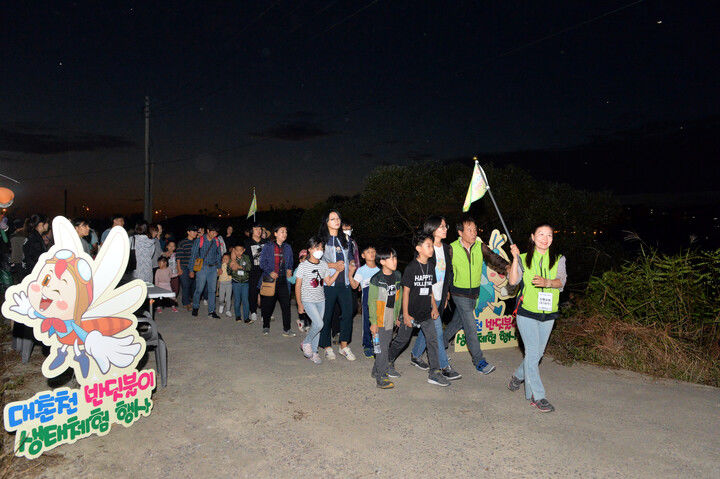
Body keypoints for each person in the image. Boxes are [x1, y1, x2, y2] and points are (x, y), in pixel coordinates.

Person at [507, 223, 567, 413]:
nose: (545, 238)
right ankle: (537, 396)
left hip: (548, 314)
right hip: (526, 312)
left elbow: (561, 282)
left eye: (549, 235)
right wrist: (515, 259)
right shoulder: (524, 258)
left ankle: (518, 376)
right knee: (533, 353)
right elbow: (513, 281)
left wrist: (547, 282)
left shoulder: (558, 259)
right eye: (541, 234)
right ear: (533, 237)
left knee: (536, 355)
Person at [442, 214, 510, 375]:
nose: (474, 233)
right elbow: (445, 272)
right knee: (471, 327)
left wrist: (507, 267)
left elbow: (494, 258)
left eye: (475, 229)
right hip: (459, 293)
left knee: (457, 322)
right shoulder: (451, 248)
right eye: (469, 230)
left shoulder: (480, 247)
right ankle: (479, 361)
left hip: (474, 294)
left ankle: (440, 344)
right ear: (460, 232)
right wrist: (445, 293)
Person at [392, 232, 450, 387]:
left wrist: (434, 307)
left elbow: (430, 289)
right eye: (428, 246)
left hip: (426, 313)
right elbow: (406, 292)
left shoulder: (431, 266)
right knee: (402, 340)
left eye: (432, 245)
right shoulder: (411, 268)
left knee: (433, 341)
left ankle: (435, 373)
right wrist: (405, 314)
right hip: (410, 312)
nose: (431, 249)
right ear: (419, 248)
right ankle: (387, 361)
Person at [409, 216, 461, 380]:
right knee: (437, 332)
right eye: (442, 227)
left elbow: (448, 273)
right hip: (427, 297)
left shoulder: (446, 248)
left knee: (428, 330)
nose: (445, 229)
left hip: (440, 295)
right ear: (432, 229)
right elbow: (419, 274)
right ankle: (443, 366)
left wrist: (446, 294)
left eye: (446, 226)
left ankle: (416, 355)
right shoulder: (426, 248)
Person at [295, 236, 342, 364]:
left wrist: (337, 271)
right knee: (319, 324)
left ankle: (314, 352)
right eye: (317, 247)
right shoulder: (303, 266)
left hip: (321, 300)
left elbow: (328, 281)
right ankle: (306, 342)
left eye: (321, 247)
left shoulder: (323, 265)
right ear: (310, 249)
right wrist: (299, 304)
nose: (320, 250)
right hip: (308, 300)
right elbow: (298, 285)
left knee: (317, 326)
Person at [318, 210, 356, 361]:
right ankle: (327, 347)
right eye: (332, 219)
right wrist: (332, 265)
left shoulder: (345, 239)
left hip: (344, 283)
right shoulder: (321, 240)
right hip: (329, 284)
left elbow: (351, 257)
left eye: (338, 218)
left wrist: (352, 264)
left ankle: (344, 346)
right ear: (326, 222)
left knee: (348, 313)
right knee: (327, 315)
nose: (337, 221)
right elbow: (315, 261)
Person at [367, 247, 402, 388]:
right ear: (382, 261)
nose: (395, 261)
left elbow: (398, 298)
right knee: (382, 347)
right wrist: (373, 322)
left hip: (391, 314)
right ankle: (381, 377)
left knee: (384, 344)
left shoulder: (398, 276)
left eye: (395, 257)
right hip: (380, 317)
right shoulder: (376, 279)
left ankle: (376, 370)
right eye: (391, 258)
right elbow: (372, 302)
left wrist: (398, 316)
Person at [258, 224, 294, 336]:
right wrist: (270, 271)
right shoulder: (268, 247)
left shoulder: (288, 247)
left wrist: (289, 269)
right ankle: (266, 326)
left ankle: (287, 329)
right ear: (275, 234)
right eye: (282, 231)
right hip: (270, 280)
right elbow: (262, 262)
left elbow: (291, 262)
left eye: (286, 232)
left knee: (286, 306)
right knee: (268, 305)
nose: (285, 234)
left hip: (283, 280)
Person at [350, 245, 379, 358]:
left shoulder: (380, 270)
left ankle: (377, 344)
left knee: (379, 323)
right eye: (368, 252)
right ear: (363, 255)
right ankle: (367, 345)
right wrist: (349, 274)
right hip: (367, 300)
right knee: (367, 322)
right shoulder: (361, 270)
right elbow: (354, 285)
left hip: (379, 300)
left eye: (373, 251)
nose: (371, 253)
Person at [189, 224, 222, 318]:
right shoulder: (199, 240)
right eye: (212, 232)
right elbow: (193, 255)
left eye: (216, 232)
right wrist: (191, 270)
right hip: (202, 268)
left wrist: (219, 267)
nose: (214, 234)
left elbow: (218, 255)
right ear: (208, 231)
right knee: (199, 289)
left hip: (213, 268)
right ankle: (195, 307)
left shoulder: (216, 241)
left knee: (212, 290)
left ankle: (212, 311)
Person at [244, 223, 265, 323]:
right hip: (252, 271)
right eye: (256, 229)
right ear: (252, 230)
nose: (259, 231)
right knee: (252, 291)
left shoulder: (265, 242)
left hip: (264, 270)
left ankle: (265, 312)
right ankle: (253, 311)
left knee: (265, 291)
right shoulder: (247, 243)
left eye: (260, 229)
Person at [176, 225, 197, 311]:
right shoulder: (182, 242)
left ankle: (189, 300)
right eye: (193, 231)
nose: (195, 233)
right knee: (185, 285)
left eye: (196, 231)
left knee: (193, 285)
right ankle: (186, 303)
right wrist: (179, 268)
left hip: (193, 267)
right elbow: (178, 257)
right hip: (184, 266)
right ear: (188, 232)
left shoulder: (196, 243)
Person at [229, 244, 252, 322]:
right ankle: (238, 316)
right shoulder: (232, 259)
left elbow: (249, 268)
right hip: (236, 282)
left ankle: (246, 318)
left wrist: (239, 267)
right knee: (237, 300)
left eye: (241, 250)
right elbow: (228, 271)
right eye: (237, 250)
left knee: (245, 300)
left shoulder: (246, 257)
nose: (239, 252)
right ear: (234, 250)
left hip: (245, 282)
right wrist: (231, 267)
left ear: (244, 250)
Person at [217, 253, 233, 317]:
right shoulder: (219, 266)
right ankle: (221, 305)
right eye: (223, 258)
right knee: (221, 298)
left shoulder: (230, 266)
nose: (224, 260)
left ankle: (228, 310)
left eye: (226, 259)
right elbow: (217, 275)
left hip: (229, 283)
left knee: (228, 298)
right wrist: (218, 272)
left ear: (229, 260)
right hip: (222, 284)